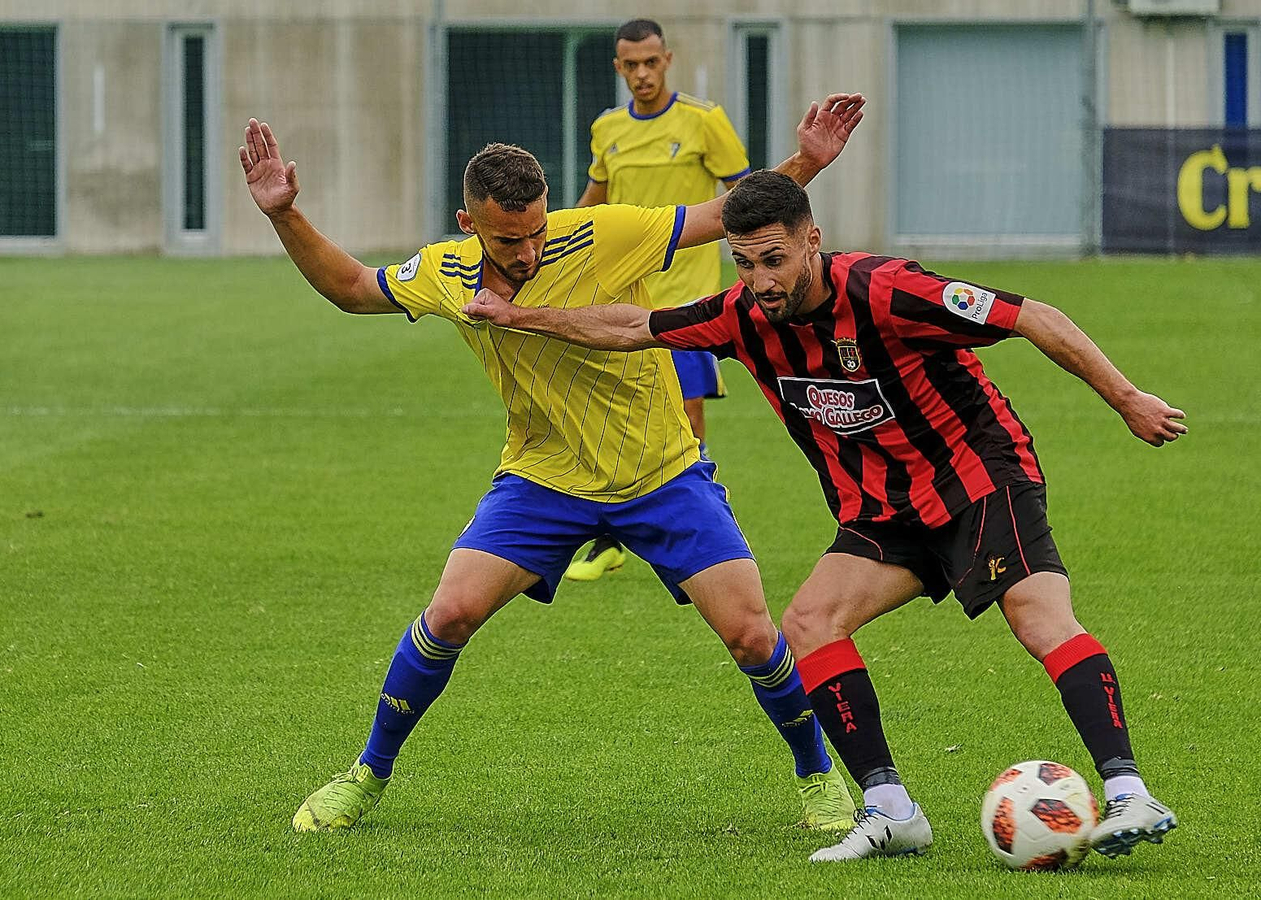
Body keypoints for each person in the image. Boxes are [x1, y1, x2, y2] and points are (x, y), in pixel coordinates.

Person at [461, 170, 1184, 862]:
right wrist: (519, 315)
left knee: (1036, 615)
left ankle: (1129, 793)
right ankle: (893, 812)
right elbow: (632, 326)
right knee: (808, 624)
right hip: (880, 509)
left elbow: (1034, 316)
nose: (761, 280)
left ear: (814, 239)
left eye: (774, 259)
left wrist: (1129, 400)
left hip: (978, 478)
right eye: (744, 264)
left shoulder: (888, 291)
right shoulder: (744, 317)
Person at [238, 96, 866, 833]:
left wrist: (807, 165)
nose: (530, 249)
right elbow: (352, 288)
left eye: (538, 229)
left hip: (662, 472)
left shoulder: (605, 232)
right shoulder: (446, 270)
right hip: (543, 480)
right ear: (470, 224)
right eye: (510, 239)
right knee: (448, 614)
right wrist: (284, 214)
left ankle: (818, 776)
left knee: (755, 636)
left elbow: (721, 213)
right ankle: (366, 774)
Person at [566, 17, 752, 584]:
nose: (642, 74)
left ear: (667, 60)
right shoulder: (607, 129)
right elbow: (593, 202)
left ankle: (699, 541)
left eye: (651, 62)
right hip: (623, 305)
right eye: (631, 65)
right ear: (618, 67)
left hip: (688, 301)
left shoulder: (704, 121)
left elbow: (742, 196)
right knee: (609, 422)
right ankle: (607, 538)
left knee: (685, 428)